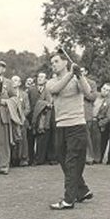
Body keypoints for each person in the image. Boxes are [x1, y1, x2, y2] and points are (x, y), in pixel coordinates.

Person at [47, 52, 93, 210]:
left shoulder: (76, 78)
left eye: (56, 61)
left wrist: (79, 75)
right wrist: (71, 74)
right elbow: (56, 89)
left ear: (65, 62)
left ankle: (68, 200)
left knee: (72, 163)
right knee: (64, 161)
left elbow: (88, 92)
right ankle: (82, 190)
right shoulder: (51, 81)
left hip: (77, 126)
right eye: (51, 62)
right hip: (60, 127)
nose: (53, 64)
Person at [28, 72, 54, 165]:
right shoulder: (31, 90)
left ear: (46, 79)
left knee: (42, 139)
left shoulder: (48, 91)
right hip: (32, 117)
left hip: (44, 117)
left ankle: (40, 159)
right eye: (38, 76)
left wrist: (46, 105)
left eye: (42, 77)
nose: (40, 78)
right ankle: (30, 159)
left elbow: (51, 103)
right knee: (30, 139)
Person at [10, 75, 30, 166]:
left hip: (22, 120)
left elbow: (27, 108)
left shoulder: (24, 94)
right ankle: (13, 159)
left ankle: (24, 158)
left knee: (23, 140)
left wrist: (21, 117)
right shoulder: (8, 93)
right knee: (12, 139)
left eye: (16, 80)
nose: (14, 82)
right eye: (12, 80)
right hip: (11, 120)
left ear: (20, 83)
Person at [80, 68, 98, 165]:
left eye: (82, 71)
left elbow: (93, 97)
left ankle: (89, 157)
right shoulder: (74, 82)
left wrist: (83, 92)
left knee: (87, 136)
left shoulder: (92, 83)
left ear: (86, 72)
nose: (81, 73)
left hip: (86, 113)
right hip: (75, 113)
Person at [92, 83, 110, 164]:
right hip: (90, 120)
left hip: (99, 122)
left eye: (107, 90)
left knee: (99, 142)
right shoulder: (95, 96)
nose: (105, 91)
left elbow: (108, 116)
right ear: (101, 88)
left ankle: (97, 159)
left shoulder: (108, 101)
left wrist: (101, 124)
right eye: (104, 88)